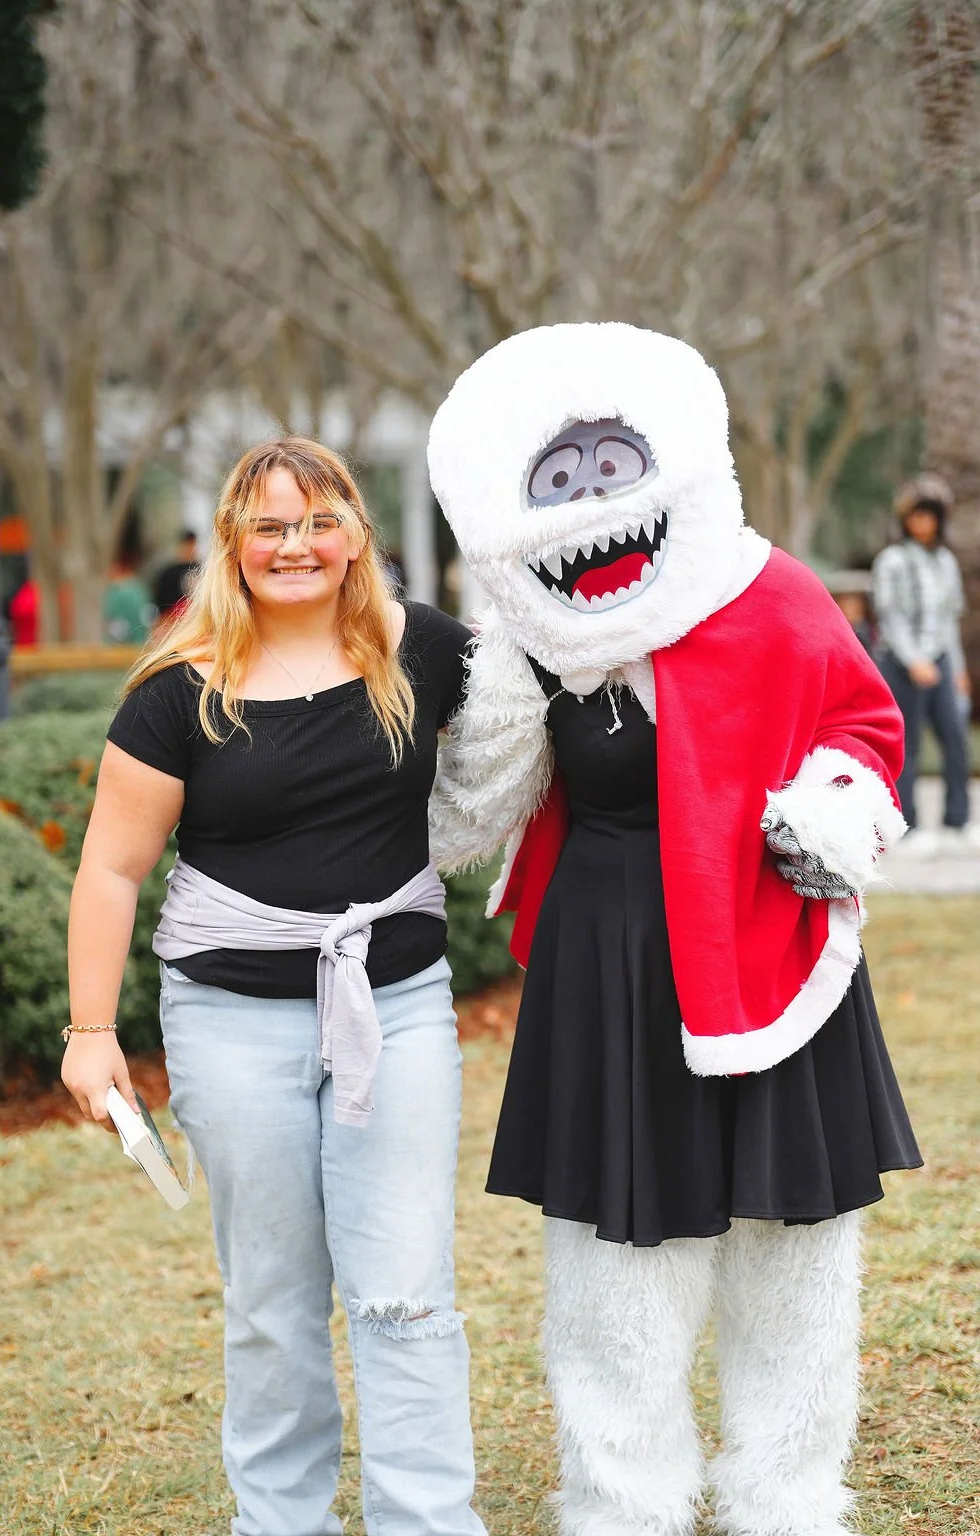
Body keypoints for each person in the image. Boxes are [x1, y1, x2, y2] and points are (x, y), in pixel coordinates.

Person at [427, 324, 921, 1536]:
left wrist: (832, 809)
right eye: (563, 475)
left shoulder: (773, 591)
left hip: (769, 944)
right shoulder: (533, 637)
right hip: (608, 964)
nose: (593, 499)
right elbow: (465, 817)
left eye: (612, 464)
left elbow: (862, 728)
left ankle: (787, 1495)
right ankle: (620, 1498)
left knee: (793, 1247)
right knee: (616, 1262)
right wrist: (484, 686)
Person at [60, 437, 486, 1536]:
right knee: (273, 1303)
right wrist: (90, 1030)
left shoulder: (425, 653)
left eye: (317, 521)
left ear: (354, 533)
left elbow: (552, 721)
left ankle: (427, 1522)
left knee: (405, 1292)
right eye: (269, 526)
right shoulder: (177, 690)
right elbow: (111, 867)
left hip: (395, 1008)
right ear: (231, 543)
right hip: (230, 1022)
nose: (295, 545)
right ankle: (280, 1523)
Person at [872, 473, 972, 845]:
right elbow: (890, 616)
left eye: (929, 515)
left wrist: (957, 668)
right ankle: (908, 826)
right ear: (906, 519)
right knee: (907, 745)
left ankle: (958, 821)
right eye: (917, 515)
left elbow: (948, 620)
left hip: (941, 660)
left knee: (956, 738)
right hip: (901, 666)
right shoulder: (892, 561)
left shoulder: (945, 562)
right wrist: (913, 660)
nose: (923, 522)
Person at [152, 528, 200, 616]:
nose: (190, 549)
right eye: (187, 545)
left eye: (192, 545)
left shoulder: (201, 571)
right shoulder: (168, 574)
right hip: (172, 620)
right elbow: (161, 606)